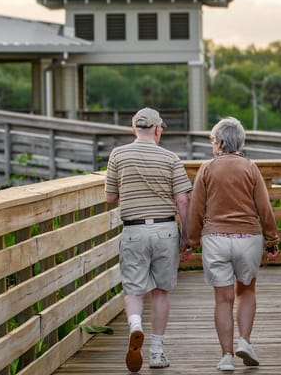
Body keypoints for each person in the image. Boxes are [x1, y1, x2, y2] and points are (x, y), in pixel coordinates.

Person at [187, 117, 280, 372]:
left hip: (215, 239)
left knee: (223, 299)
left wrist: (191, 241)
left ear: (219, 143)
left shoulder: (206, 169)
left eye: (212, 141)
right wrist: (272, 239)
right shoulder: (250, 167)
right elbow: (264, 207)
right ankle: (245, 342)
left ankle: (227, 356)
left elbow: (196, 209)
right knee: (246, 291)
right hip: (248, 238)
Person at [105, 107, 193, 373]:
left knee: (133, 289)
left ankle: (135, 326)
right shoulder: (171, 158)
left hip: (134, 230)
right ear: (157, 130)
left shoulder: (118, 155)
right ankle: (156, 352)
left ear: (134, 129)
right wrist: (187, 236)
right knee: (160, 291)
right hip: (165, 230)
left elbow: (110, 197)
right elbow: (183, 199)